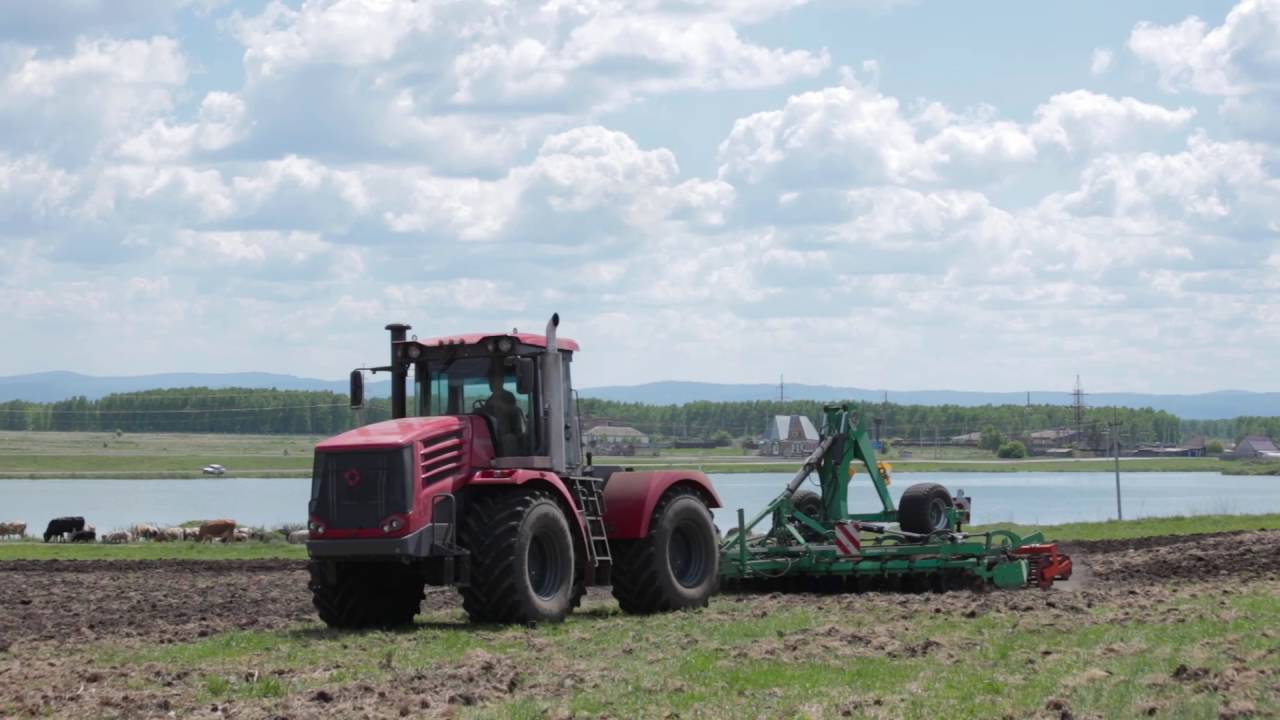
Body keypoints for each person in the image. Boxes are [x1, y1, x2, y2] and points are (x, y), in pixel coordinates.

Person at [480, 362, 525, 455]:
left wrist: (500, 405)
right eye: (490, 381)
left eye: (494, 381)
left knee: (508, 440)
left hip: (508, 433)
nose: (491, 384)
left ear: (501, 382)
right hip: (492, 434)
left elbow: (513, 410)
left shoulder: (508, 396)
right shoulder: (489, 400)